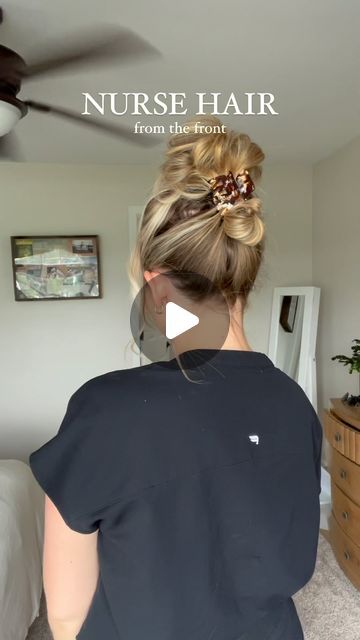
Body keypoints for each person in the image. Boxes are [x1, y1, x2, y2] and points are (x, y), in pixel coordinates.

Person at [29, 115, 322, 640]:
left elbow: (68, 618)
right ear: (246, 276)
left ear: (158, 287)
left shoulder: (106, 410)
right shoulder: (296, 403)